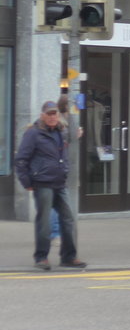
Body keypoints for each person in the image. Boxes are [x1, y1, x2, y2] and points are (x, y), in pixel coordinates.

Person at [16, 101, 87, 270]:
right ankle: (41, 258)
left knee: (68, 219)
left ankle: (68, 257)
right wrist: (26, 182)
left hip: (59, 183)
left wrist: (65, 170)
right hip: (42, 183)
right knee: (45, 221)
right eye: (49, 114)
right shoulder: (33, 134)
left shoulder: (60, 132)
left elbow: (64, 153)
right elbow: (21, 160)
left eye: (54, 114)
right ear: (42, 115)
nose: (52, 117)